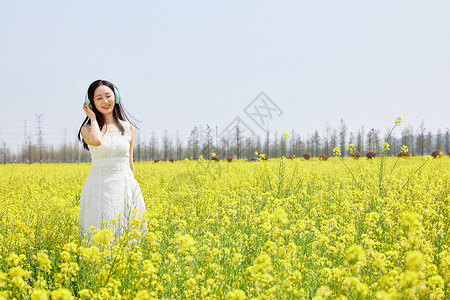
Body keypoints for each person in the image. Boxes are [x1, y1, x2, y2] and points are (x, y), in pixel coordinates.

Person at [78, 79, 147, 241]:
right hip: (98, 189)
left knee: (128, 236)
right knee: (98, 237)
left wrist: (133, 190)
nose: (105, 101)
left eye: (108, 96)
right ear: (91, 102)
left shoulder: (127, 127)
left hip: (125, 187)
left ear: (115, 97)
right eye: (99, 98)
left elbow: (130, 162)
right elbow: (96, 140)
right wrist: (93, 118)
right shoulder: (87, 129)